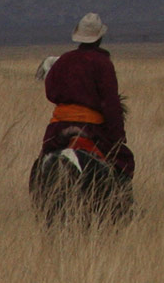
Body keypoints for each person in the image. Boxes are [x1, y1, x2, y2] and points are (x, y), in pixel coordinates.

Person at [41, 12, 135, 176]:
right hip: (91, 128)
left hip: (58, 127)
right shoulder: (103, 63)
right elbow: (111, 104)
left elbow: (50, 92)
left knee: (43, 163)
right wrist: (118, 136)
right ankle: (121, 200)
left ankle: (40, 198)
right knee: (123, 161)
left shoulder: (63, 60)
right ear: (99, 38)